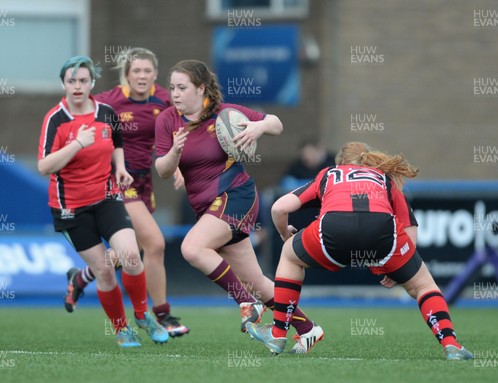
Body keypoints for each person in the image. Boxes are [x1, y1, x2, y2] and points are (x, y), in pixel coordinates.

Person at [246, 142, 474, 361]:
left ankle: (277, 334)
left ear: (340, 162)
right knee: (424, 286)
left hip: (334, 228)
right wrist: (394, 266)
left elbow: (279, 207)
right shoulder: (385, 179)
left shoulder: (330, 173)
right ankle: (451, 344)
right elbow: (409, 229)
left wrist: (286, 234)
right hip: (382, 231)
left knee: (289, 255)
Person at [155, 60, 323, 353]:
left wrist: (258, 127)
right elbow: (163, 170)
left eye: (182, 87)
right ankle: (308, 329)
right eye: (172, 87)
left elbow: (276, 123)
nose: (175, 93)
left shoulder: (224, 113)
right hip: (207, 207)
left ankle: (245, 301)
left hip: (237, 196)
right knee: (256, 280)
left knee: (192, 248)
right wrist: (173, 152)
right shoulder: (167, 120)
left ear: (201, 89)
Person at [38, 56, 169, 347]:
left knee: (131, 256)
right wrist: (76, 144)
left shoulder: (106, 112)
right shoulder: (55, 119)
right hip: (70, 208)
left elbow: (117, 142)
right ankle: (121, 329)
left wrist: (120, 167)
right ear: (64, 84)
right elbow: (44, 166)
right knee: (105, 273)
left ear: (92, 84)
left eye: (83, 80)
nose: (77, 86)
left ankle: (142, 316)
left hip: (107, 197)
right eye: (72, 81)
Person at [62, 48, 189, 338]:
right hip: (116, 182)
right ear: (126, 75)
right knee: (155, 244)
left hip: (145, 184)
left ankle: (80, 278)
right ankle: (163, 315)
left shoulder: (165, 100)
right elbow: (79, 118)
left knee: (126, 252)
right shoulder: (109, 101)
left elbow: (175, 133)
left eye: (147, 71)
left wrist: (179, 165)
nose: (142, 76)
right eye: (136, 71)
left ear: (156, 74)